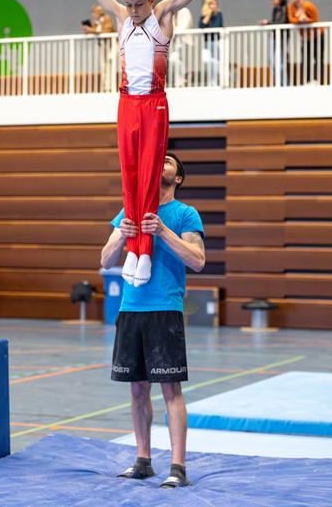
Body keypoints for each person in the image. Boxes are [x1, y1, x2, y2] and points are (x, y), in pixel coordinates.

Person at [87, 0, 206, 287]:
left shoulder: (164, 14)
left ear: (152, 0)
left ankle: (146, 248)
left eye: (140, 4)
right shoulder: (122, 17)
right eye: (129, 4)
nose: (134, 11)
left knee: (149, 176)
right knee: (130, 175)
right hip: (126, 103)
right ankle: (134, 251)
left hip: (153, 103)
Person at [101, 153, 206, 488]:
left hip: (164, 309)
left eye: (169, 163)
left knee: (170, 390)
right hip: (130, 310)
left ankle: (178, 467)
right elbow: (105, 260)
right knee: (137, 391)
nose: (161, 165)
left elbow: (198, 260)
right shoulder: (128, 211)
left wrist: (162, 231)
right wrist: (121, 234)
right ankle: (143, 460)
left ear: (178, 178)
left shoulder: (185, 214)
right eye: (159, 161)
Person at [288, 0, 325, 84]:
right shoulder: (291, 7)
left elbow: (316, 19)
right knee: (305, 59)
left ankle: (318, 80)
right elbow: (291, 20)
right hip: (305, 37)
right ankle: (308, 80)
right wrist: (300, 20)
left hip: (317, 35)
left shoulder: (309, 6)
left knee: (318, 58)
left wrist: (306, 20)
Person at [261, 0, 288, 85]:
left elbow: (283, 22)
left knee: (280, 61)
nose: (272, 1)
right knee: (272, 61)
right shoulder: (275, 9)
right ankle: (277, 82)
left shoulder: (285, 8)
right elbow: (274, 21)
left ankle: (284, 83)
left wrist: (268, 23)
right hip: (273, 37)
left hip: (281, 37)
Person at [198, 0, 224, 85]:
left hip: (215, 42)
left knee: (216, 61)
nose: (215, 6)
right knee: (207, 61)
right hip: (206, 42)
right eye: (212, 4)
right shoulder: (204, 15)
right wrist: (208, 15)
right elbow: (201, 26)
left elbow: (217, 26)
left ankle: (214, 82)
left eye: (216, 4)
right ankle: (211, 81)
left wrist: (207, 26)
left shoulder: (218, 14)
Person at [169, 7, 194, 87]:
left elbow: (185, 26)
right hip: (176, 42)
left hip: (186, 42)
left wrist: (174, 30)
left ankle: (185, 77)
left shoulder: (185, 11)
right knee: (174, 59)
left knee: (185, 62)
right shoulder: (172, 14)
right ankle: (179, 82)